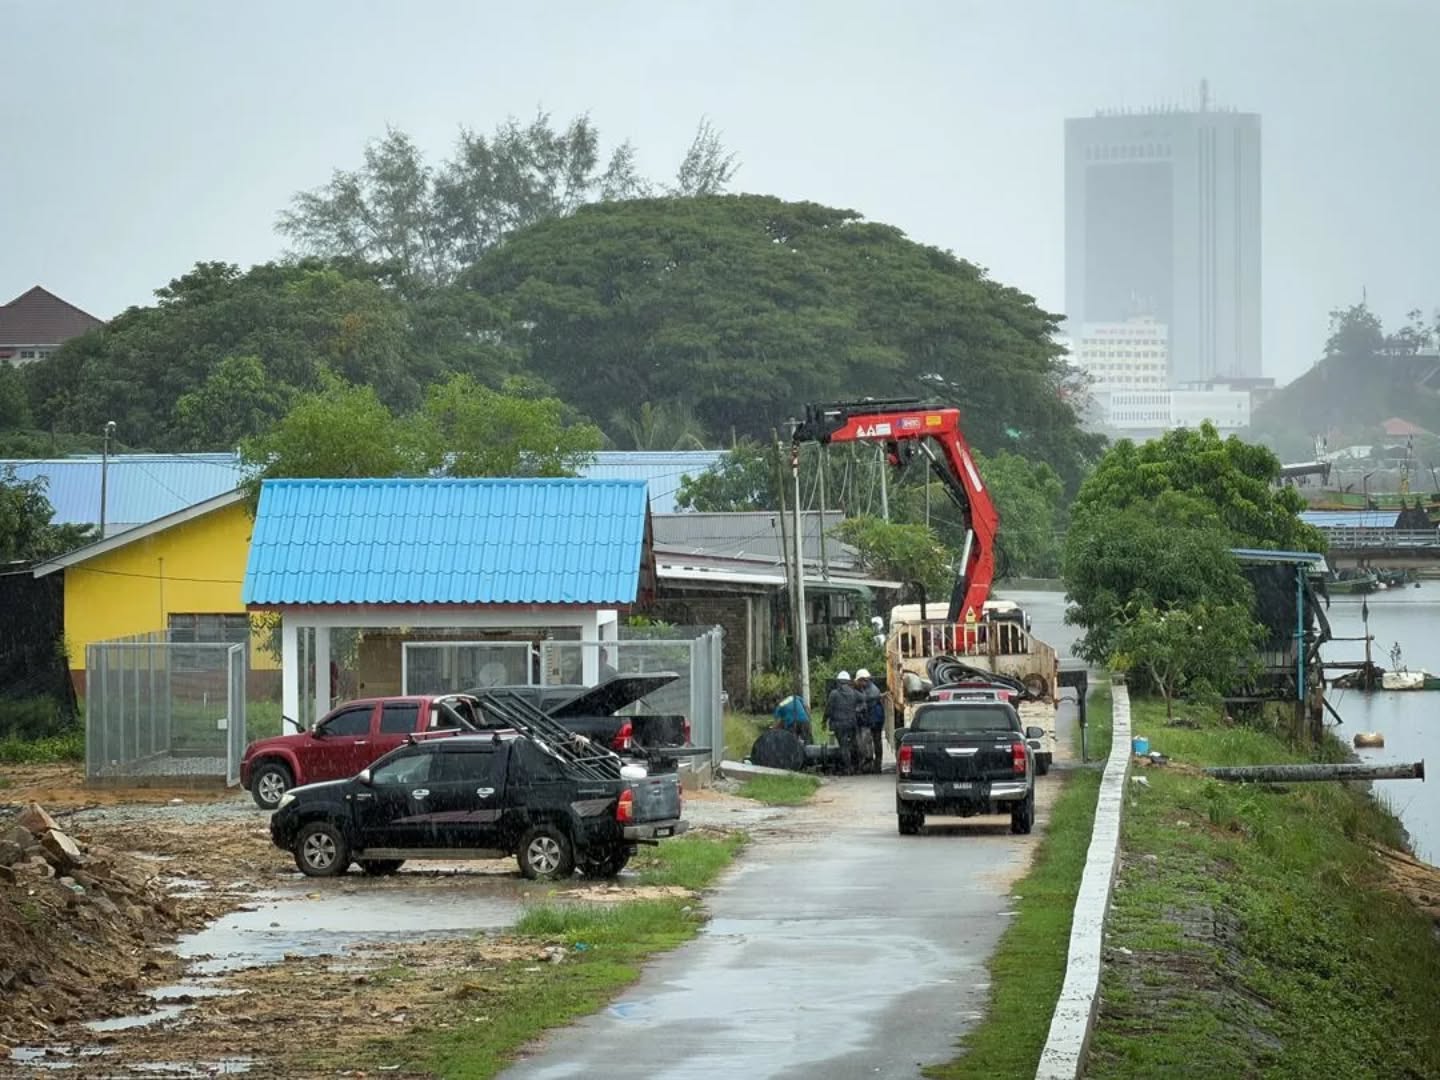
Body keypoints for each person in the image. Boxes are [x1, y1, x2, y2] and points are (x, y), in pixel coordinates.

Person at [824, 671, 865, 775]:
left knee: (843, 746)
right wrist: (857, 710)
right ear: (848, 682)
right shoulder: (854, 693)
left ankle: (847, 768)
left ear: (839, 682)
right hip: (851, 724)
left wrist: (824, 721)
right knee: (853, 745)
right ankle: (857, 767)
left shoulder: (834, 694)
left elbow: (828, 709)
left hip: (839, 725)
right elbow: (863, 700)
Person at [854, 668, 885, 774]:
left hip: (874, 719)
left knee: (872, 741)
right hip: (876, 718)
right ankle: (876, 765)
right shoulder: (870, 687)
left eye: (859, 681)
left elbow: (864, 704)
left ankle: (874, 765)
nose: (859, 683)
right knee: (875, 741)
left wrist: (856, 710)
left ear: (863, 679)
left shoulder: (871, 691)